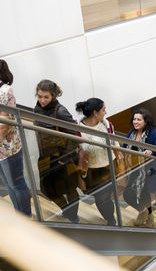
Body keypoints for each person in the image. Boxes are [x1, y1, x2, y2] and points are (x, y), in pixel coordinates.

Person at [34, 79, 80, 223]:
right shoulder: (37, 108)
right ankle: (67, 209)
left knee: (70, 188)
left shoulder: (60, 111)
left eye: (46, 97)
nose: (42, 100)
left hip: (63, 157)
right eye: (40, 96)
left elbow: (76, 133)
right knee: (46, 188)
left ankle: (73, 216)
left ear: (53, 96)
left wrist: (65, 157)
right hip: (46, 156)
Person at [76, 98, 117, 225]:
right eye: (103, 109)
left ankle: (111, 218)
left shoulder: (106, 125)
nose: (106, 112)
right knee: (101, 198)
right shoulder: (78, 129)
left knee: (107, 196)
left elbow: (115, 142)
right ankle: (111, 218)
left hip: (109, 166)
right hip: (94, 170)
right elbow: (78, 151)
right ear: (95, 113)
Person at [0, 60, 31, 216]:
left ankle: (25, 216)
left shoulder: (5, 91)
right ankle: (19, 215)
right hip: (2, 149)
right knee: (9, 184)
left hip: (8, 148)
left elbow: (5, 123)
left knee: (17, 184)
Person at [122, 108, 156, 227]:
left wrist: (151, 151)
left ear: (146, 121)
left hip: (147, 171)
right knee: (127, 194)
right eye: (134, 119)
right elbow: (124, 146)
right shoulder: (132, 133)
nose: (135, 122)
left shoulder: (153, 133)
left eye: (139, 119)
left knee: (145, 194)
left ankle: (149, 216)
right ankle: (143, 212)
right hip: (133, 169)